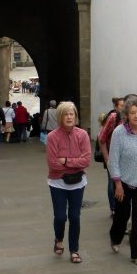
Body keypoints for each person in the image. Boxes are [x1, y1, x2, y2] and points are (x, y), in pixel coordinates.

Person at [107, 96, 137, 265]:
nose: (136, 116)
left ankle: (136, 252)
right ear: (126, 115)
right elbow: (113, 161)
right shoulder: (119, 133)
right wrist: (118, 185)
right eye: (133, 113)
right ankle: (115, 237)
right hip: (124, 182)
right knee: (122, 216)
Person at [46, 101, 91, 263]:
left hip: (78, 182)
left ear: (75, 116)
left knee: (74, 217)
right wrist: (75, 163)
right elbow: (53, 164)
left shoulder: (82, 135)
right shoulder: (52, 137)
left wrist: (66, 161)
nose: (69, 117)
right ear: (60, 117)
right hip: (57, 182)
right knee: (60, 216)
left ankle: (74, 250)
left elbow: (86, 160)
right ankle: (58, 239)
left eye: (72, 114)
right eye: (66, 114)